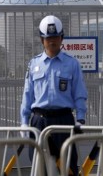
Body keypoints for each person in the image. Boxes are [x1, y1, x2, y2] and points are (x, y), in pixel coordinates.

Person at [20, 15, 87, 175]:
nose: (52, 41)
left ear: (62, 38)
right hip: (39, 122)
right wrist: (24, 121)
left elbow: (79, 92)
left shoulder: (72, 64)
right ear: (42, 39)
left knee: (68, 165)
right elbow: (27, 94)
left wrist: (80, 118)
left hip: (63, 121)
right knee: (39, 165)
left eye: (56, 37)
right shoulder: (34, 64)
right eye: (48, 37)